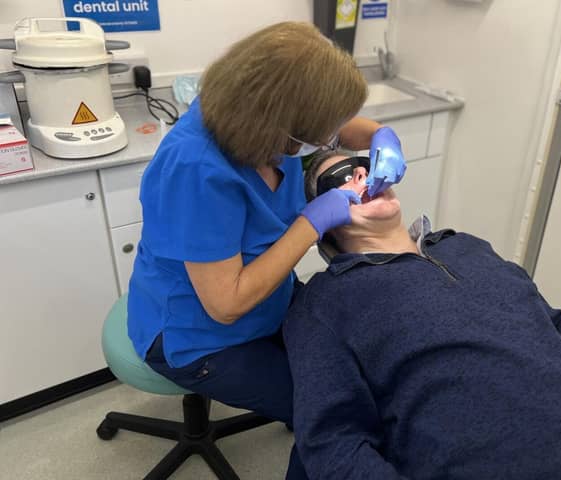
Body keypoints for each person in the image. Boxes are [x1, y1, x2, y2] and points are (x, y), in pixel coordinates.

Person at [126, 22, 407, 479]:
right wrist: (313, 219)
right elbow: (226, 305)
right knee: (333, 411)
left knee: (354, 368)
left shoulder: (262, 124)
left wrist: (382, 136)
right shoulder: (196, 169)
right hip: (197, 334)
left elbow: (341, 126)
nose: (331, 140)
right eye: (321, 135)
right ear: (276, 124)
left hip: (268, 299)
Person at [283, 150, 561, 480]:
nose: (362, 172)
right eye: (342, 177)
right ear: (322, 220)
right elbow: (334, 444)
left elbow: (560, 332)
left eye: (366, 163)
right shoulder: (325, 304)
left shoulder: (465, 246)